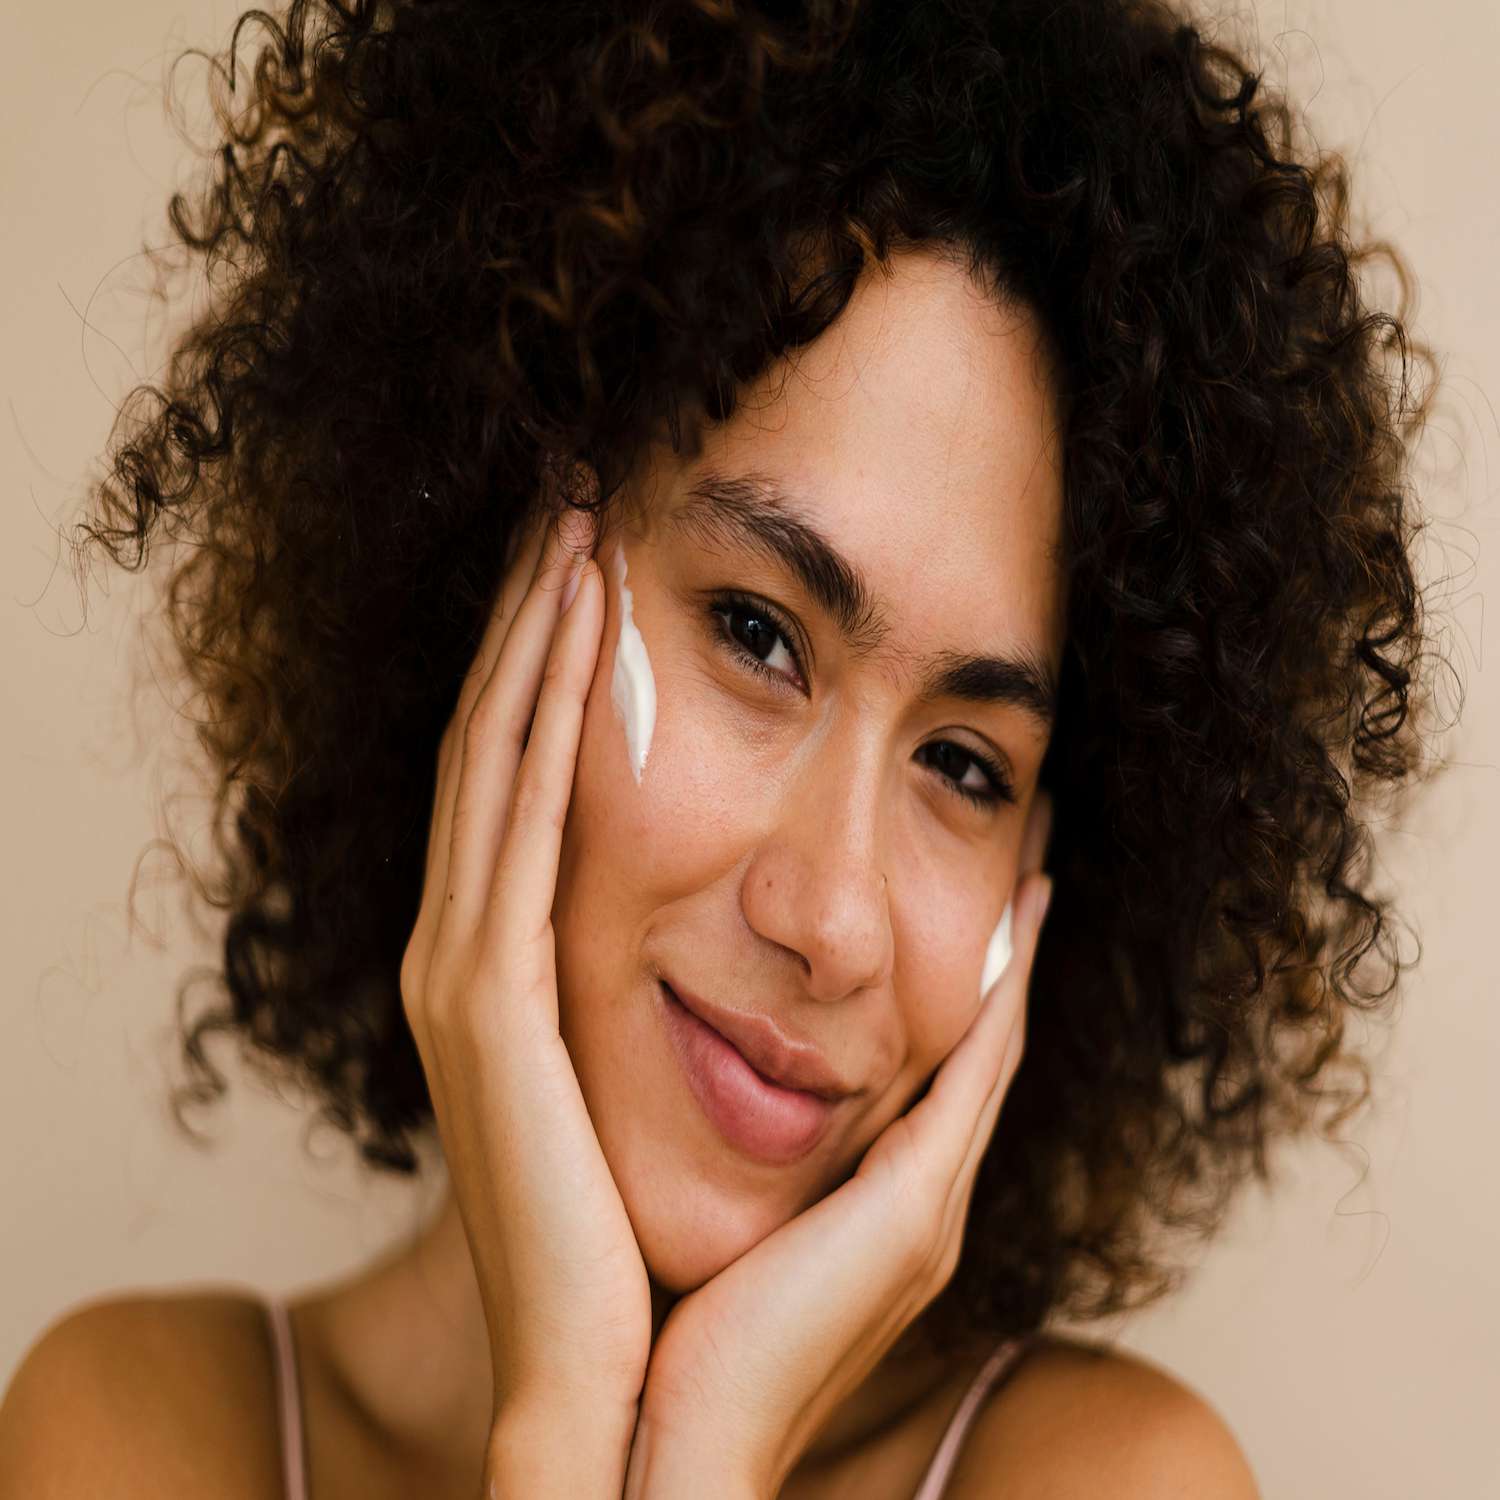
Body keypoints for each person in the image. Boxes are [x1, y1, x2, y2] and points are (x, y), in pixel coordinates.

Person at [0, 0, 1444, 1495]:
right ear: (492, 573)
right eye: (758, 635)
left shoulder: (1110, 1480)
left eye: (966, 765)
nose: (830, 917)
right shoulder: (143, 1437)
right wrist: (560, 1417)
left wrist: (703, 1452)